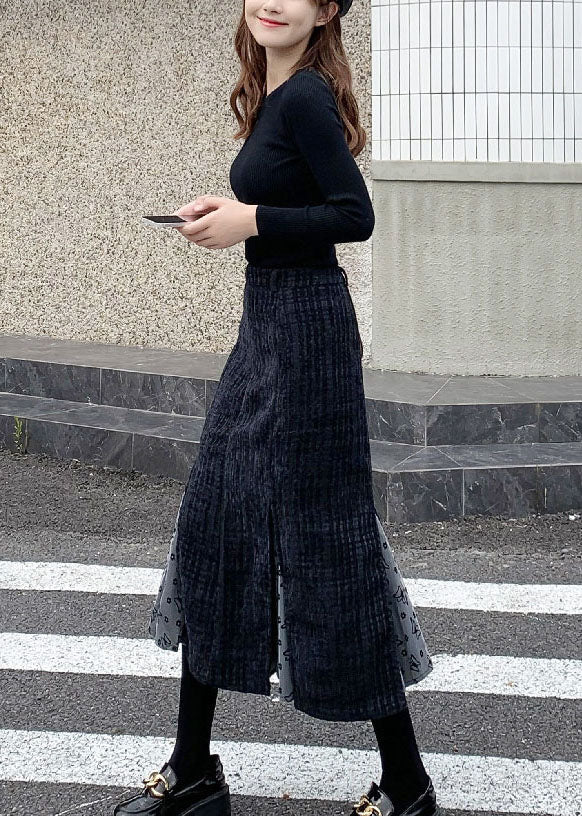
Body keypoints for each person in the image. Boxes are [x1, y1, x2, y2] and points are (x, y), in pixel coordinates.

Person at [113, 2, 439, 815]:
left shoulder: (305, 98)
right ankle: (193, 768)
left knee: (328, 541)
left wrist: (249, 220)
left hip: (306, 338)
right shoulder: (275, 92)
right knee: (217, 521)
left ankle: (406, 784)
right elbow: (291, 206)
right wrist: (224, 214)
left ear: (325, 10)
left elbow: (354, 216)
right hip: (268, 327)